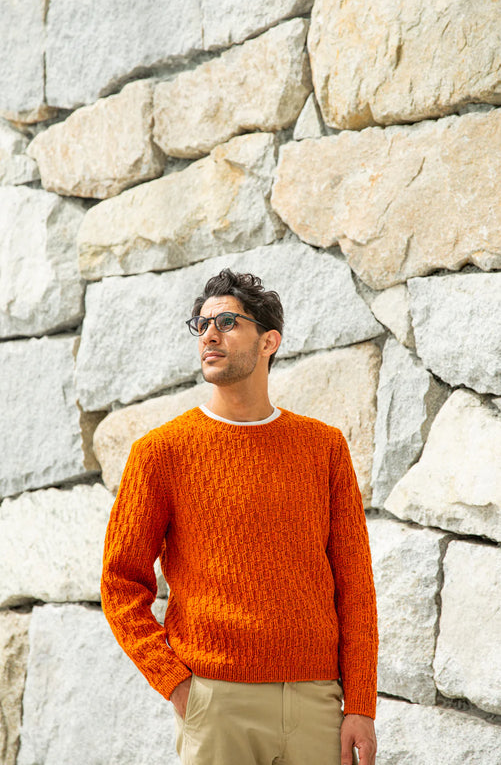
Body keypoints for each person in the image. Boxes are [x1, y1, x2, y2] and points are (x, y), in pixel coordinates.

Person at [101, 269, 378, 765]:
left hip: (317, 702)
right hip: (216, 702)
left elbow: (355, 584)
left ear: (268, 340)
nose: (209, 334)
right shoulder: (160, 453)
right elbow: (121, 582)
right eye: (201, 324)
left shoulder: (323, 448)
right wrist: (178, 683)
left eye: (227, 322)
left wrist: (360, 703)